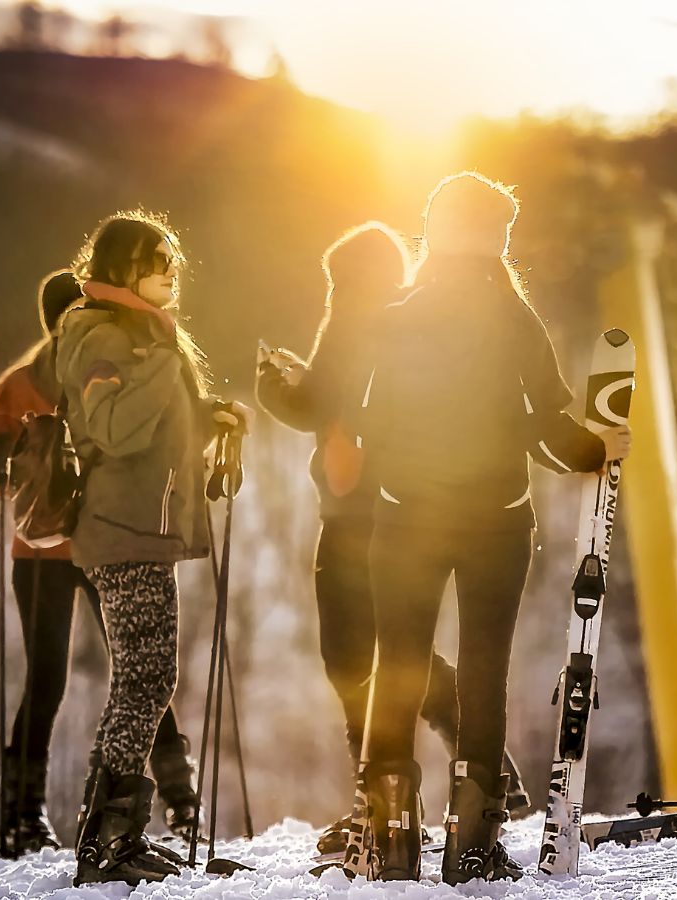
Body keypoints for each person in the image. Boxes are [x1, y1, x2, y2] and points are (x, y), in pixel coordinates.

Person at [354, 173, 631, 883]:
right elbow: (545, 430)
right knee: (483, 672)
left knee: (400, 667)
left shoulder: (396, 313)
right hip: (494, 522)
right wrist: (599, 449)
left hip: (404, 518)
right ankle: (471, 845)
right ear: (493, 237)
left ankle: (388, 838)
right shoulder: (514, 317)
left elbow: (369, 425)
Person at [256, 222, 534, 857]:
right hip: (408, 507)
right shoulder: (415, 322)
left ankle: (376, 808)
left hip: (356, 517)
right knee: (399, 654)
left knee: (353, 660)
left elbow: (312, 404)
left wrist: (272, 381)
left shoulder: (354, 317)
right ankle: (483, 775)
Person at [55, 211, 252, 886]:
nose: (171, 269)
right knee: (146, 678)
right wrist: (167, 366)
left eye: (173, 257)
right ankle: (110, 836)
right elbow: (111, 426)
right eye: (157, 258)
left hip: (142, 525)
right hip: (125, 529)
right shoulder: (99, 333)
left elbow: (156, 428)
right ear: (121, 267)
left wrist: (208, 418)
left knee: (141, 678)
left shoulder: (141, 336)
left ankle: (105, 828)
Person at [0, 270, 200, 858]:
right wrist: (1, 455)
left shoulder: (108, 363)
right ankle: (25, 815)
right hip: (46, 550)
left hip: (95, 542)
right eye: (70, 311)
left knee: (138, 669)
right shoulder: (27, 382)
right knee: (55, 677)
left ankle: (173, 798)